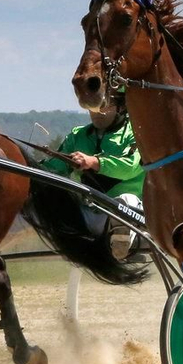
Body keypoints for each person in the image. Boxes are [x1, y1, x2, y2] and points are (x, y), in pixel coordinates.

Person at [43, 99, 145, 258]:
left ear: (120, 107)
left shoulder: (137, 132)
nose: (96, 112)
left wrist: (94, 162)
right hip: (88, 211)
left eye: (103, 106)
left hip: (132, 214)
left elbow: (130, 167)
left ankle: (119, 248)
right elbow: (54, 168)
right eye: (91, 106)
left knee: (125, 200)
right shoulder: (78, 135)